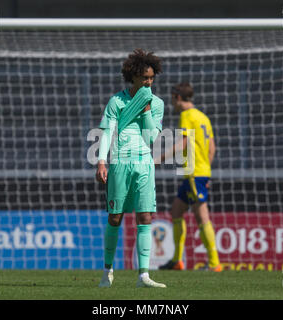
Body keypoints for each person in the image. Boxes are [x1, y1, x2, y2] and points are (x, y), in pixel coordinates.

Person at [95, 49, 166, 288]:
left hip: (144, 162)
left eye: (151, 78)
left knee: (145, 216)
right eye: (144, 78)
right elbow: (107, 132)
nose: (148, 82)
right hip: (120, 162)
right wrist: (102, 161)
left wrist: (145, 109)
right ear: (133, 77)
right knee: (115, 217)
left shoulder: (156, 104)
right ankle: (107, 271)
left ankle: (143, 275)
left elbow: (152, 138)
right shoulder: (117, 101)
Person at [158, 82, 222, 272]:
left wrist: (159, 158)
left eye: (172, 99)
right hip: (196, 173)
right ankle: (177, 260)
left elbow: (183, 143)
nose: (172, 104)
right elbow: (212, 148)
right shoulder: (203, 117)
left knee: (202, 217)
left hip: (195, 174)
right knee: (176, 211)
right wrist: (205, 169)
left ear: (177, 97)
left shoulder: (186, 116)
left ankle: (214, 263)